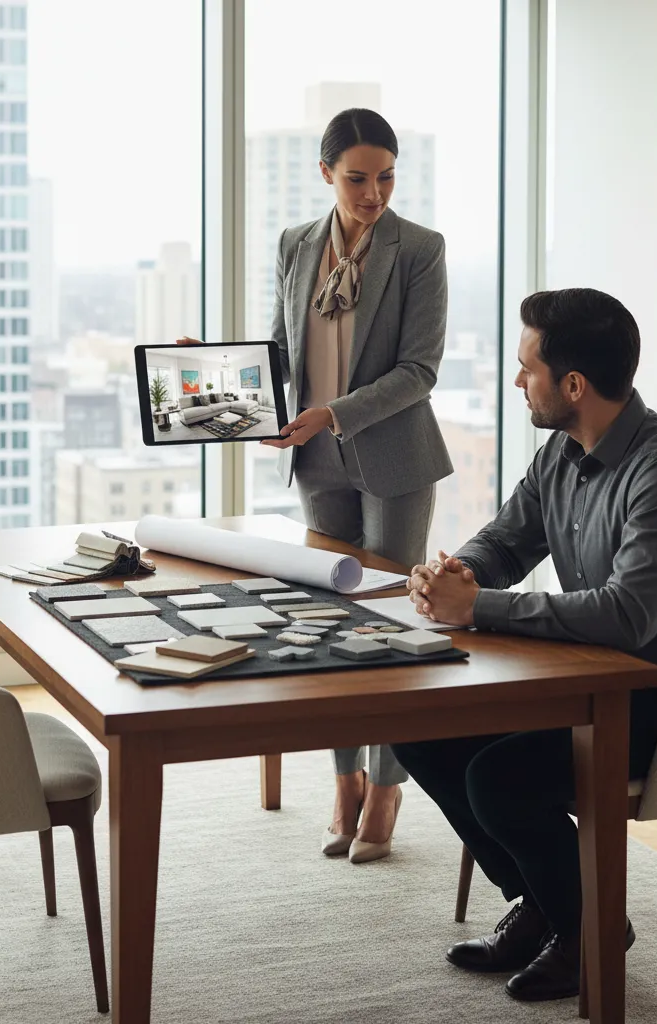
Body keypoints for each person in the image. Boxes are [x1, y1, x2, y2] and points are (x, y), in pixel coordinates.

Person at [392, 287, 657, 1002]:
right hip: (586, 682)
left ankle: (592, 932)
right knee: (419, 730)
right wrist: (460, 574)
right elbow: (509, 538)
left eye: (527, 368)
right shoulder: (561, 451)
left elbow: (627, 616)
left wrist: (478, 607)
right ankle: (549, 906)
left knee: (500, 777)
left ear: (573, 385)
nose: (518, 381)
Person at [260, 108, 453, 864]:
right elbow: (280, 349)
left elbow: (420, 370)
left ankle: (388, 783)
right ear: (326, 174)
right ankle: (343, 778)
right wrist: (224, 367)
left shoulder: (420, 251)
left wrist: (331, 414)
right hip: (318, 461)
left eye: (386, 177)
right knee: (332, 623)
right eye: (357, 178)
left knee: (392, 624)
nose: (374, 193)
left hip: (395, 456)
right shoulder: (295, 245)